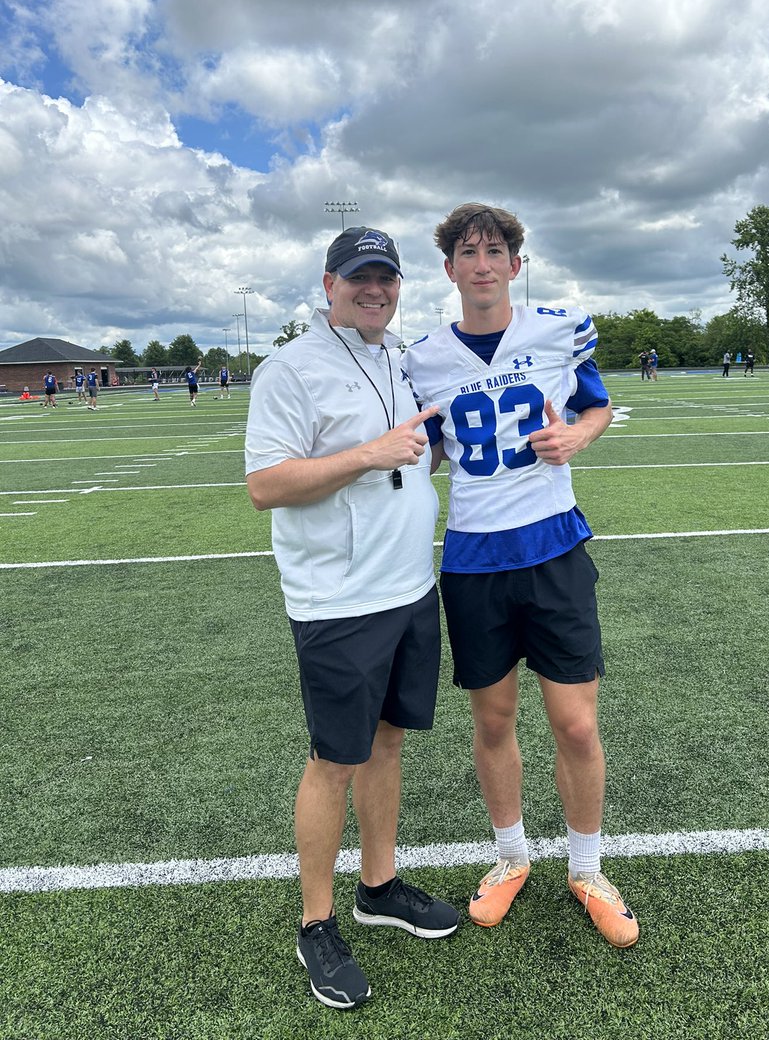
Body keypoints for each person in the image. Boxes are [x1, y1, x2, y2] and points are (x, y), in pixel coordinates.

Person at [402, 203, 638, 950]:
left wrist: (577, 434)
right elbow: (429, 450)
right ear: (450, 270)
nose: (481, 263)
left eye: (494, 250)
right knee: (494, 720)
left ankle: (589, 868)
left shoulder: (557, 329)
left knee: (574, 721)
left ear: (514, 262)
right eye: (467, 252)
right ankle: (510, 857)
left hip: (554, 548)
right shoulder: (424, 359)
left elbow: (597, 407)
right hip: (473, 557)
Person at [245, 225, 459, 1010]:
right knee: (334, 757)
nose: (376, 290)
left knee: (387, 741)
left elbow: (417, 451)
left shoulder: (400, 358)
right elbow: (266, 484)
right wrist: (368, 454)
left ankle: (378, 884)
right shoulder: (290, 368)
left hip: (408, 585)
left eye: (387, 278)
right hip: (338, 600)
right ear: (329, 283)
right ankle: (316, 923)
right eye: (361, 277)